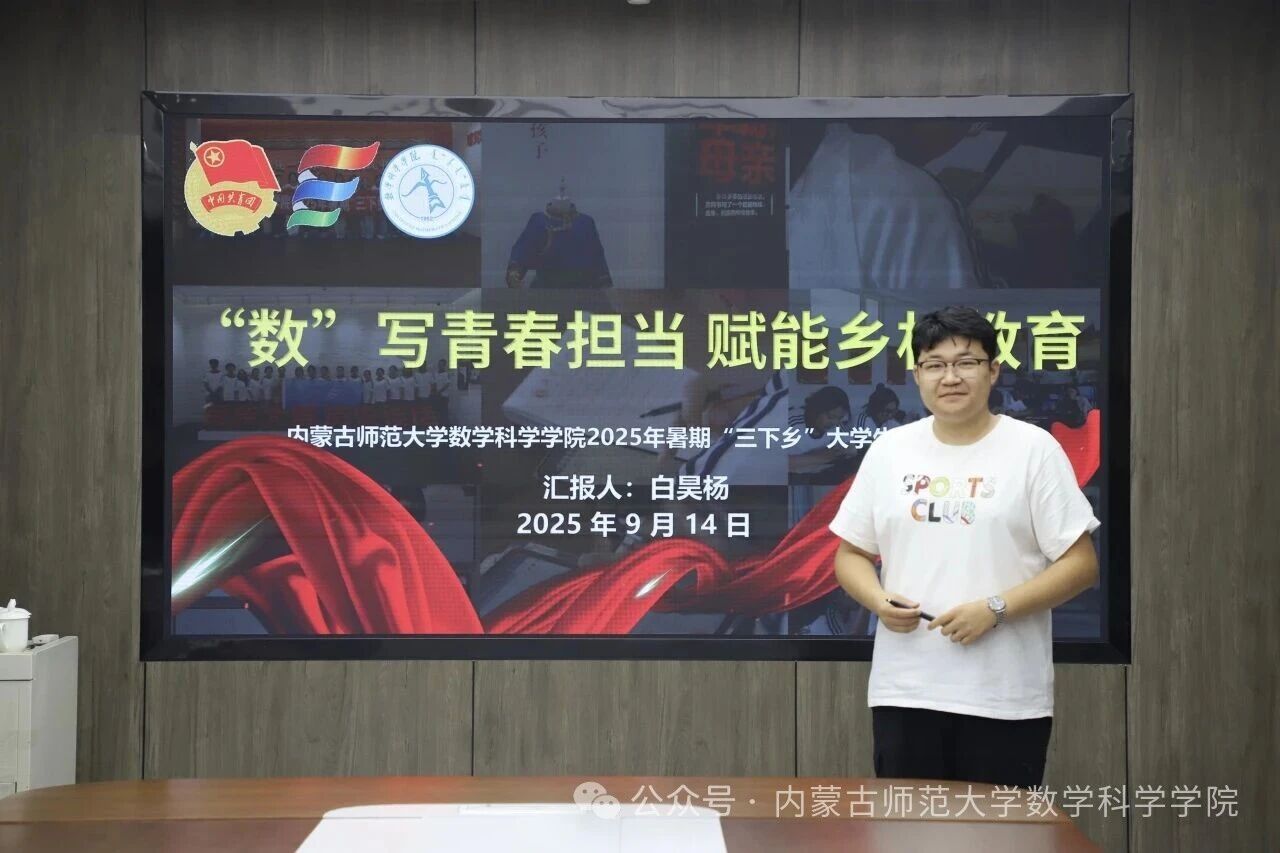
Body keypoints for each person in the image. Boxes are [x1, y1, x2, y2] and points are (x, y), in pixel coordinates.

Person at [829, 306, 1100, 788]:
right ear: (917, 375)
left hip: (1004, 697)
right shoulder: (890, 450)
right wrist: (878, 600)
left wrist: (995, 609)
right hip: (906, 691)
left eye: (966, 362)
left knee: (996, 828)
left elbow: (1080, 565)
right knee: (907, 826)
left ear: (993, 370)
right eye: (934, 364)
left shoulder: (1033, 449)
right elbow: (850, 555)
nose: (950, 377)